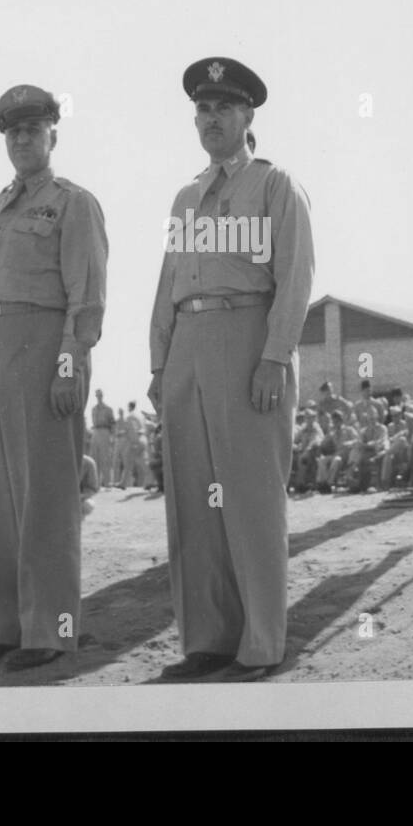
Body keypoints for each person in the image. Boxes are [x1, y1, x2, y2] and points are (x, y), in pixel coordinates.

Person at [148, 56, 314, 683]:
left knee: (249, 498)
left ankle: (261, 644)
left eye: (222, 107)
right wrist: (159, 363)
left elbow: (295, 278)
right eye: (202, 108)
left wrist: (275, 356)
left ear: (249, 116)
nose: (210, 118)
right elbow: (168, 282)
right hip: (188, 343)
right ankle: (208, 640)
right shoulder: (186, 195)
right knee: (194, 498)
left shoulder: (275, 186)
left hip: (247, 339)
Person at [0, 83, 108, 672]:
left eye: (32, 129)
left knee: (46, 499)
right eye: (12, 132)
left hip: (42, 354)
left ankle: (51, 631)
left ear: (53, 136)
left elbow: (85, 298)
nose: (22, 139)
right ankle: (4, 628)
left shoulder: (73, 203)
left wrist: (70, 365)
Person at [88, 389, 116, 486]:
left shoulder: (108, 409)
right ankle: (96, 482)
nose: (98, 397)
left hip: (105, 431)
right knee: (94, 457)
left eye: (99, 395)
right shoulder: (93, 409)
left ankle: (107, 481)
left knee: (105, 457)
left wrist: (112, 437)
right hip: (95, 431)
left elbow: (113, 423)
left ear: (102, 396)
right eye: (97, 395)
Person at [121, 401, 149, 487]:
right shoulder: (141, 416)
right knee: (143, 462)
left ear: (129, 407)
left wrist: (134, 442)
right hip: (143, 440)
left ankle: (123, 484)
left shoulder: (130, 416)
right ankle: (151, 481)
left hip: (136, 441)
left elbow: (133, 430)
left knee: (128, 461)